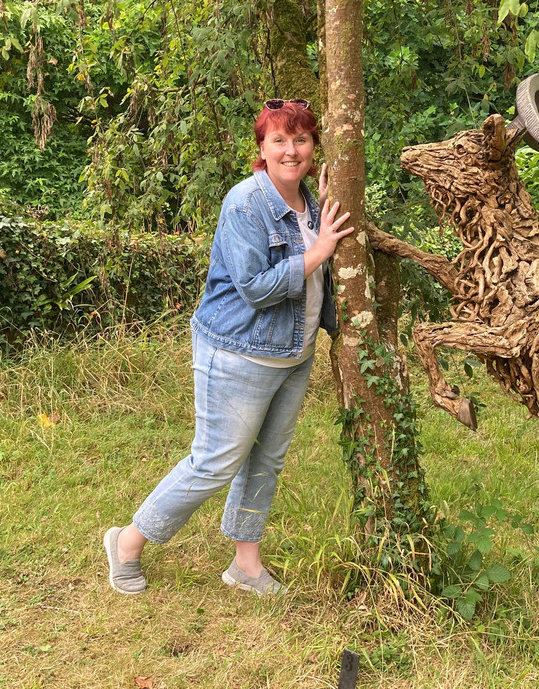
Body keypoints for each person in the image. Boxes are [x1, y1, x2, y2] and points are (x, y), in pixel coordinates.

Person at [103, 99, 353, 596]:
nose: (291, 150)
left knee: (267, 459)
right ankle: (127, 542)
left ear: (313, 148)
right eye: (279, 140)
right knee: (216, 459)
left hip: (293, 354)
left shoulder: (311, 202)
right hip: (239, 352)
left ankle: (246, 565)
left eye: (300, 139)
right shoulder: (244, 202)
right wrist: (318, 251)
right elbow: (256, 287)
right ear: (261, 147)